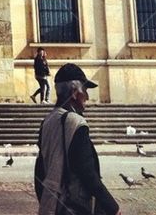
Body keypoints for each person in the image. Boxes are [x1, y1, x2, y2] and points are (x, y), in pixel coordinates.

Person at [34, 63, 120, 215]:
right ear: (74, 92)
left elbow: (40, 169)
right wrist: (112, 207)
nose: (87, 96)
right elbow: (87, 172)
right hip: (73, 206)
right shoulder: (76, 123)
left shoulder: (47, 121)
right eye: (85, 90)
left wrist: (47, 200)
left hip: (53, 205)